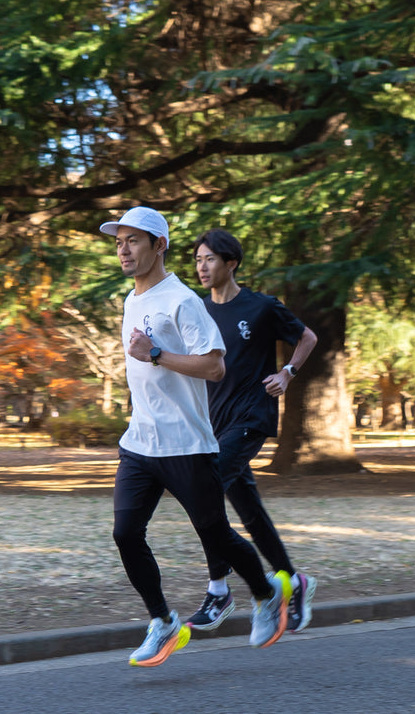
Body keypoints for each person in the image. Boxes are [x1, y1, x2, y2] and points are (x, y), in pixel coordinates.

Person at [99, 206, 292, 668]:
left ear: (159, 246)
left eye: (134, 241)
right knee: (126, 533)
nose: (123, 250)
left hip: (186, 444)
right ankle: (163, 622)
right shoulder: (132, 299)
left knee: (216, 534)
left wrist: (158, 353)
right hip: (140, 443)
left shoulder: (182, 300)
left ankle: (267, 595)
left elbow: (214, 365)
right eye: (118, 242)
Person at [187, 228, 319, 634]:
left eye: (210, 259)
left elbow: (307, 337)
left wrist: (288, 372)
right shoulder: (196, 310)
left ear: (231, 263)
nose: (202, 267)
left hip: (250, 418)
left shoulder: (260, 307)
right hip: (213, 422)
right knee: (248, 509)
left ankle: (219, 589)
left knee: (204, 493)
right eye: (197, 260)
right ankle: (293, 580)